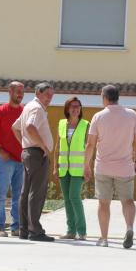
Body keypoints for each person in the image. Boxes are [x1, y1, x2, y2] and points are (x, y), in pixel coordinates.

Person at [84, 85, 136, 249]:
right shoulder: (131, 115)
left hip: (103, 167)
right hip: (125, 166)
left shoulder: (98, 116)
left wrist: (86, 165)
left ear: (104, 97)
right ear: (118, 97)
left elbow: (90, 144)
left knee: (104, 203)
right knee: (128, 201)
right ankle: (129, 227)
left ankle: (104, 238)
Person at [12, 82, 55, 242]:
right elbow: (30, 127)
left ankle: (24, 229)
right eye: (47, 94)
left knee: (26, 192)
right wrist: (41, 145)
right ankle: (35, 231)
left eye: (51, 95)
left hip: (29, 152)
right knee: (36, 193)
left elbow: (15, 127)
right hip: (36, 154)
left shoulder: (28, 107)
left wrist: (25, 144)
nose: (49, 98)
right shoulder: (36, 108)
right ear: (38, 93)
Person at [0, 81, 25, 237]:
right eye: (18, 91)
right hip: (5, 160)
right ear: (10, 92)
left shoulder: (25, 111)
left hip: (21, 160)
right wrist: (0, 152)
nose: (20, 94)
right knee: (1, 193)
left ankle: (16, 227)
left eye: (22, 92)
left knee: (19, 195)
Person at [53, 97, 89, 240]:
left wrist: (88, 167)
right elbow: (57, 147)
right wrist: (55, 166)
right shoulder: (62, 124)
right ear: (67, 109)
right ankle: (71, 231)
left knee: (74, 197)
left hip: (78, 168)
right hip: (63, 168)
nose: (76, 109)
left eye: (78, 106)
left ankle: (82, 231)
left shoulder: (86, 125)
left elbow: (89, 148)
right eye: (72, 106)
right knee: (67, 199)